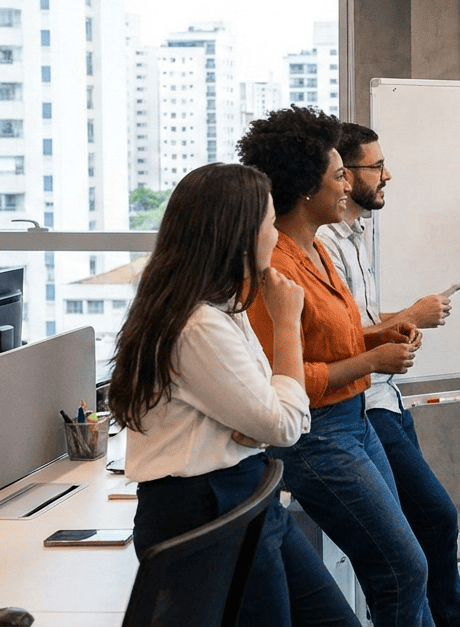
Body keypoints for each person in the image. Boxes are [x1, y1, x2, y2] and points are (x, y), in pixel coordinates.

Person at [107, 163, 359, 627]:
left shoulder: (225, 305)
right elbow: (284, 425)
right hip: (206, 505)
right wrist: (286, 325)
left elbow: (273, 414)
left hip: (245, 487)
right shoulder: (197, 324)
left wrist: (259, 422)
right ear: (239, 234)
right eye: (268, 223)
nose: (276, 233)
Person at [238, 106, 435, 627]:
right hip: (317, 435)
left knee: (401, 567)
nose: (347, 185)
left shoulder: (316, 250)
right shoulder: (273, 265)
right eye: (338, 175)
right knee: (403, 568)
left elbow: (333, 336)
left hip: (353, 421)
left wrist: (379, 333)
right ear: (307, 188)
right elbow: (288, 376)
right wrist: (374, 358)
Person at [316, 122, 460, 627]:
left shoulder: (363, 229)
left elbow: (361, 323)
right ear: (341, 175)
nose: (388, 175)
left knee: (418, 536)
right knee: (429, 525)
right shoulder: (323, 242)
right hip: (359, 404)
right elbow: (341, 339)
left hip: (386, 396)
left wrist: (397, 328)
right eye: (374, 166)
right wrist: (411, 315)